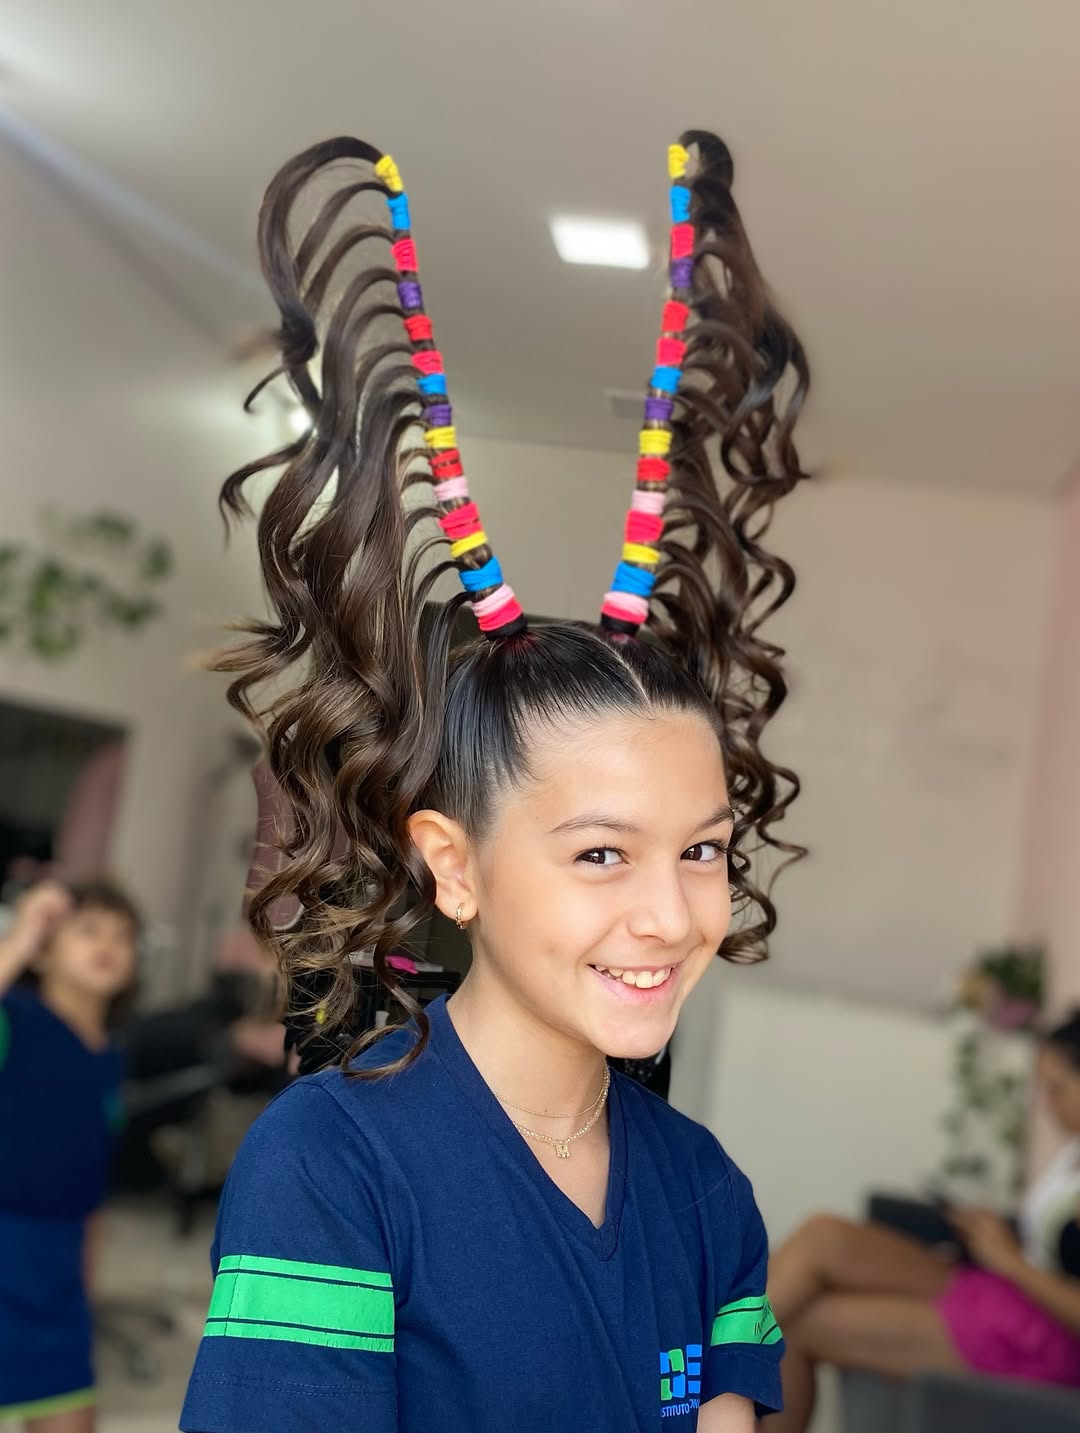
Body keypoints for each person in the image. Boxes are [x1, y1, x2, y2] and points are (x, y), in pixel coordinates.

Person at [180, 128, 812, 1433]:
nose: (671, 913)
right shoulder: (334, 1168)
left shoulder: (708, 1199)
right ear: (453, 865)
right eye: (599, 852)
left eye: (700, 849)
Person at [765, 1012, 1080, 1432]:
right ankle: (697, 1355)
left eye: (1058, 1088)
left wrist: (1009, 1261)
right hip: (1007, 1289)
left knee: (800, 1326)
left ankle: (689, 1377)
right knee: (825, 1235)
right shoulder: (1071, 1155)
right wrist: (996, 1239)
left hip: (1046, 1337)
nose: (1049, 1103)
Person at [0, 877, 141, 1433]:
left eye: (123, 935)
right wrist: (24, 930)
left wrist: (85, 1283)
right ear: (44, 951)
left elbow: (90, 1181)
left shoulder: (111, 1056)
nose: (107, 944)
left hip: (58, 1269)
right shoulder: (15, 1019)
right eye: (86, 930)